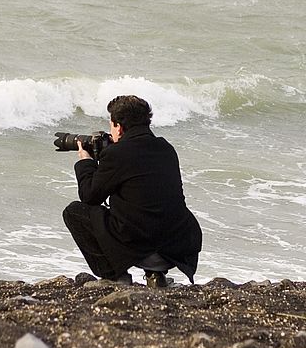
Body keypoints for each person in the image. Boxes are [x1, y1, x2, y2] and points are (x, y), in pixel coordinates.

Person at [62, 94, 202, 287]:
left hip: (141, 248)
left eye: (112, 126)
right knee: (146, 210)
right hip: (175, 247)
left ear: (119, 126)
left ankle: (115, 277)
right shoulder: (166, 149)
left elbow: (89, 197)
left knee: (74, 212)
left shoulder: (117, 154)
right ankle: (155, 276)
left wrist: (86, 163)